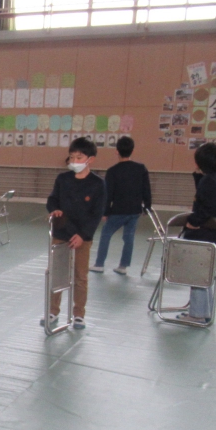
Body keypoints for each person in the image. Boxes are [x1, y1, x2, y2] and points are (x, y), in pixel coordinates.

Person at [45, 137, 106, 331]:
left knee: (80, 276)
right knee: (57, 273)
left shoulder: (98, 184)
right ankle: (53, 311)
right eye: (72, 157)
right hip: (61, 233)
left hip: (82, 238)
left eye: (79, 158)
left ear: (90, 159)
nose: (74, 161)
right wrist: (54, 210)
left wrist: (83, 235)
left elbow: (96, 214)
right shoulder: (63, 179)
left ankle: (79, 314)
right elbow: (52, 200)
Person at [179, 143, 216, 324]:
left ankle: (197, 314)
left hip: (204, 234)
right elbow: (207, 199)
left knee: (197, 273)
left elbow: (208, 207)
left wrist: (193, 221)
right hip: (214, 234)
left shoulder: (209, 181)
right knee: (204, 274)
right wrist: (198, 176)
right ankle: (203, 310)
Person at [90, 136, 151, 275]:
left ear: (116, 151)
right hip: (135, 210)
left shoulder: (113, 171)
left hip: (118, 210)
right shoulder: (141, 168)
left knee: (106, 234)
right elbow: (146, 189)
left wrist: (105, 212)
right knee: (129, 237)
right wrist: (147, 206)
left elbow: (108, 194)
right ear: (132, 151)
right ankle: (123, 266)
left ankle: (99, 264)